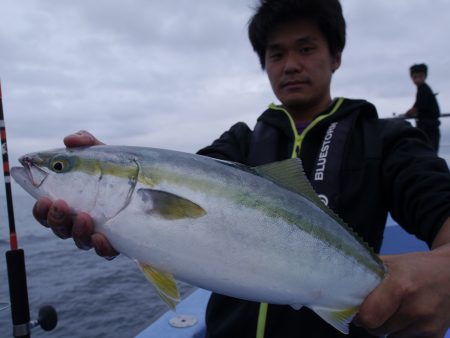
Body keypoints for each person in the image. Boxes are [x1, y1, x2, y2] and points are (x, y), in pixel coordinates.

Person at [33, 0, 450, 337]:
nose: (290, 64)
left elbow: (439, 201)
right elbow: (192, 180)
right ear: (264, 63)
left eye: (306, 48)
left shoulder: (385, 139)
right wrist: (105, 173)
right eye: (276, 53)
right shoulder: (239, 143)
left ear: (336, 56)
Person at [404, 63, 441, 152]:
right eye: (415, 77)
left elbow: (416, 108)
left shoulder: (423, 90)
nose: (417, 80)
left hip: (428, 128)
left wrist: (406, 114)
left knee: (427, 152)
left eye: (420, 77)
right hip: (429, 127)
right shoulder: (423, 89)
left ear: (425, 77)